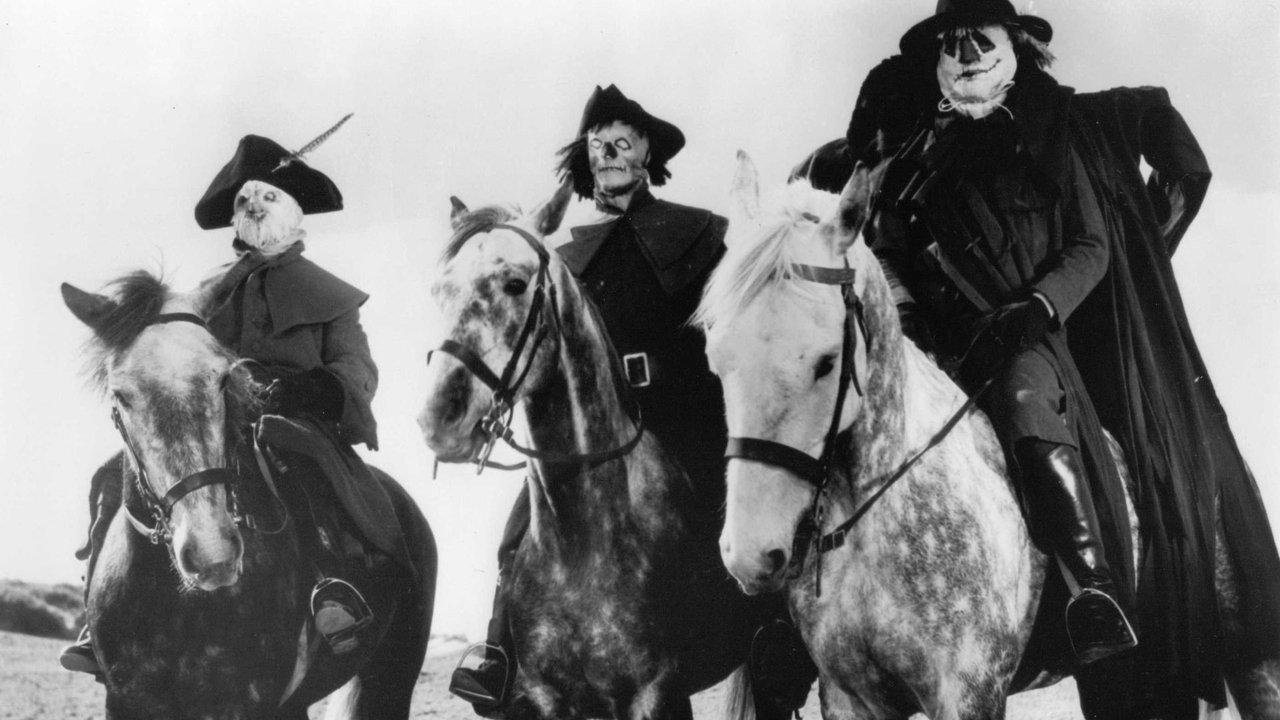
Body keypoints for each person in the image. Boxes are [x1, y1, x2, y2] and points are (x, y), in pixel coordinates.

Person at [846, 1, 1280, 717]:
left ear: (1015, 47)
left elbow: (1091, 247)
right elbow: (887, 245)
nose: (965, 55)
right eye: (949, 46)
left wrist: (1038, 308)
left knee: (1022, 397)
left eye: (979, 40)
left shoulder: (1056, 136)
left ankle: (1093, 591)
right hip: (946, 349)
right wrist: (909, 308)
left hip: (1036, 343)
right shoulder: (918, 162)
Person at [447, 84, 815, 719]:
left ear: (648, 154)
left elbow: (734, 325)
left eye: (623, 142)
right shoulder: (558, 258)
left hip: (683, 414)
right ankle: (499, 654)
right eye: (598, 144)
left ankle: (773, 637)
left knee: (735, 512)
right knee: (521, 530)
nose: (609, 153)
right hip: (593, 432)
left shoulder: (702, 233)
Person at [61, 127, 412, 673]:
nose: (254, 207)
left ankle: (328, 584)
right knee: (116, 474)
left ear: (295, 213)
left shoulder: (334, 296)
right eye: (245, 199)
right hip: (213, 419)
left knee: (300, 462)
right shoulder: (203, 292)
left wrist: (308, 387)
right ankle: (99, 613)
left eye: (268, 196)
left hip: (297, 418)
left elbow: (356, 370)